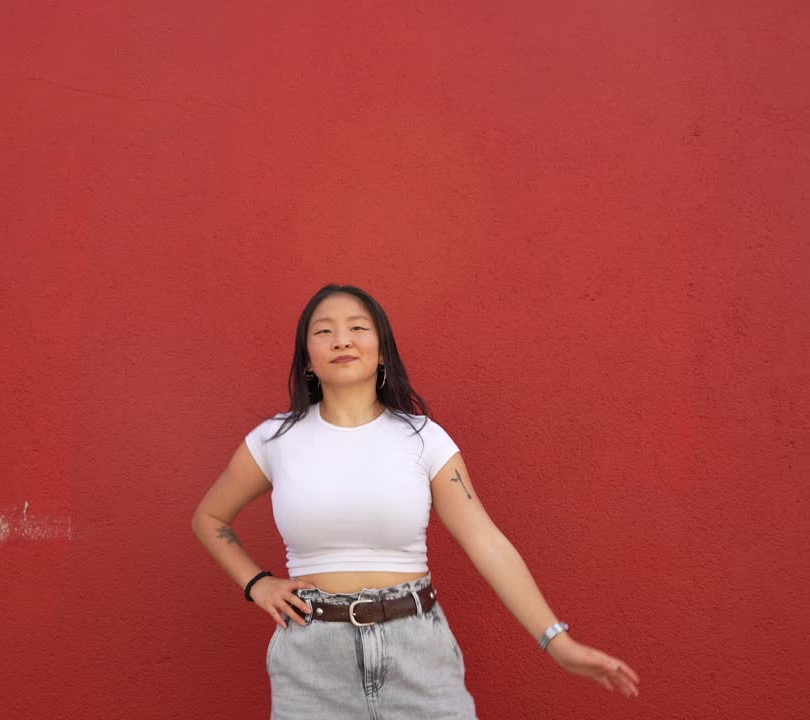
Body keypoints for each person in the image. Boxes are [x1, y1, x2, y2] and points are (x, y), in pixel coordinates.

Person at [191, 284, 641, 719]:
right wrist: (257, 583)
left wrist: (556, 642)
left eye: (357, 327)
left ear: (382, 349)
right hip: (311, 660)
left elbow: (487, 542)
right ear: (307, 358)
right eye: (324, 331)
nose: (342, 339)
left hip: (418, 653)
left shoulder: (424, 439)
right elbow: (210, 517)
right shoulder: (275, 440)